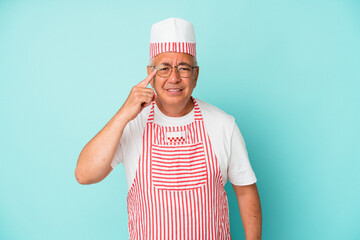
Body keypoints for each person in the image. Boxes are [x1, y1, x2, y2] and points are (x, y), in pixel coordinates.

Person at [75, 17, 262, 239]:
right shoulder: (130, 124)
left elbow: (245, 192)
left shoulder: (224, 125)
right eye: (164, 68)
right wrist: (123, 114)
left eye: (183, 68)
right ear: (150, 74)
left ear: (196, 75)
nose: (174, 78)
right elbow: (84, 175)